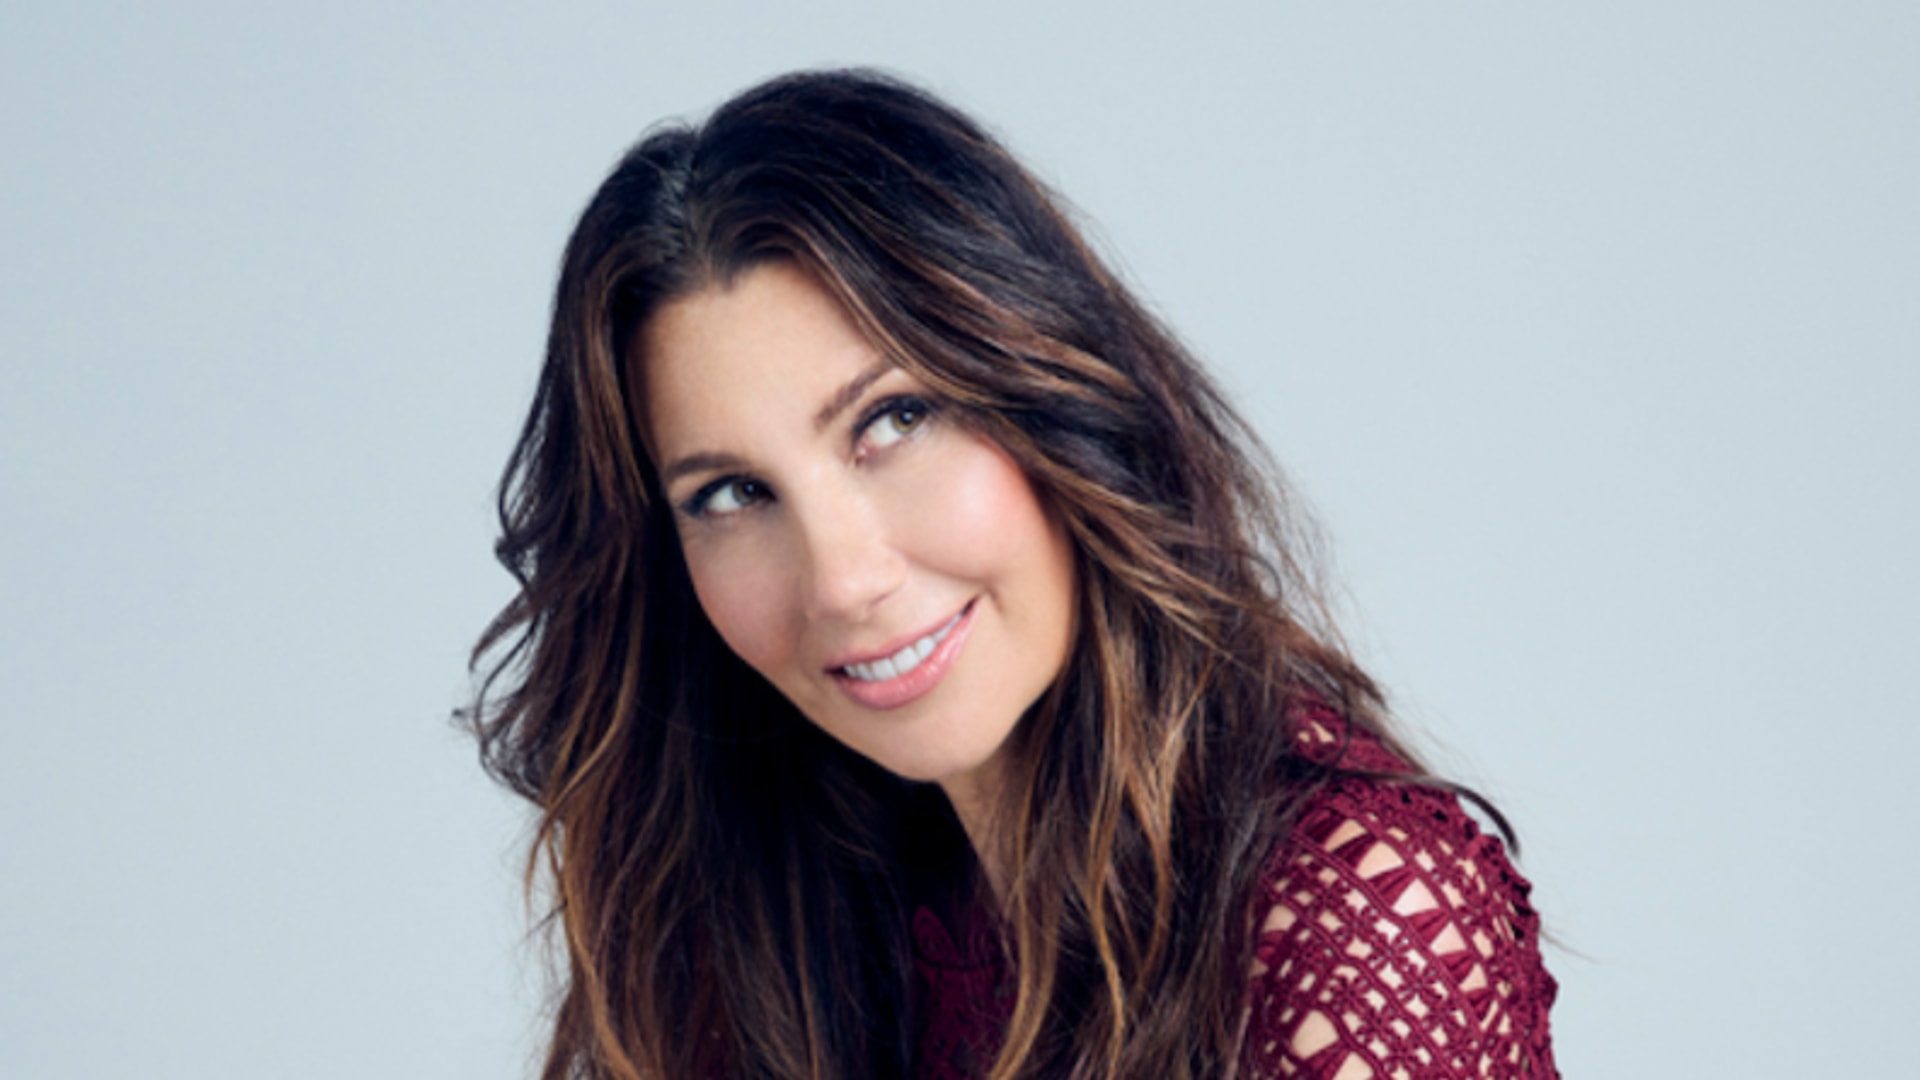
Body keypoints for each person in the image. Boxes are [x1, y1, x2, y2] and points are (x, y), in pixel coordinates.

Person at [464, 69, 1558, 1080]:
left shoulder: (1350, 908)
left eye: (893, 420)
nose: (842, 580)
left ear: (1056, 395)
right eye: (730, 495)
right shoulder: (776, 900)